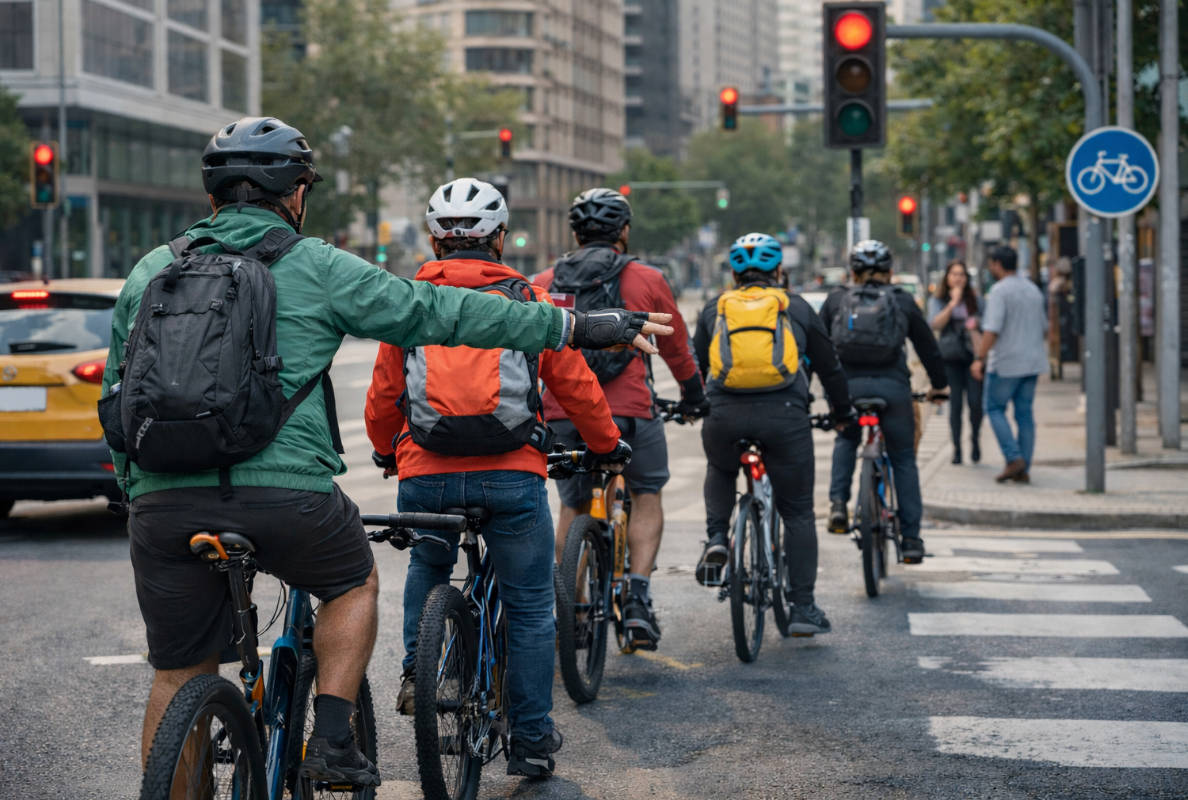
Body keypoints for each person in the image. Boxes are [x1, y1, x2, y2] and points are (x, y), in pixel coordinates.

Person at [101, 117, 672, 787]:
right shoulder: (316, 264)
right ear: (296, 195)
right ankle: (333, 739)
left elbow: (118, 399)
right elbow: (442, 313)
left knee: (177, 671)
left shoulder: (151, 270)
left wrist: (138, 493)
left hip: (164, 502)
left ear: (211, 197)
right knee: (352, 583)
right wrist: (571, 325)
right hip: (289, 498)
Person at [364, 177, 631, 778]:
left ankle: (421, 675)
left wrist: (386, 452)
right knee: (531, 606)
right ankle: (531, 739)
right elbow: (575, 386)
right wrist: (606, 444)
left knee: (429, 564)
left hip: (427, 476)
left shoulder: (411, 302)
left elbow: (384, 396)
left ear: (435, 241)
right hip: (510, 475)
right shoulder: (529, 301)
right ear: (500, 239)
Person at [533, 187, 707, 651]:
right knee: (647, 491)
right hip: (629, 409)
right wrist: (693, 396)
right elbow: (676, 347)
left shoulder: (544, 281)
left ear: (575, 233)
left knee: (572, 506)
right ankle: (637, 599)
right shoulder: (646, 278)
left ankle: (571, 608)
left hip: (564, 412)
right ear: (624, 232)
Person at [692, 233, 852, 634]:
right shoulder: (795, 307)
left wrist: (695, 404)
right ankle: (802, 608)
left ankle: (717, 537)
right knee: (797, 510)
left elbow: (694, 365)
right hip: (784, 417)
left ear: (733, 274)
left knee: (721, 467)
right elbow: (830, 367)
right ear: (780, 270)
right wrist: (842, 412)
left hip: (724, 414)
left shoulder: (716, 308)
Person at [821, 240, 947, 563]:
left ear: (852, 272)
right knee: (903, 459)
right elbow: (928, 348)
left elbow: (818, 348)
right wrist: (939, 386)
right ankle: (911, 540)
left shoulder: (837, 300)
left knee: (846, 439)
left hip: (847, 390)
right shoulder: (902, 300)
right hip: (893, 390)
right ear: (890, 272)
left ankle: (838, 506)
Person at [970, 245, 1047, 484]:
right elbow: (1045, 327)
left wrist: (979, 358)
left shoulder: (999, 291)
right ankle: (1023, 468)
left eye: (991, 264)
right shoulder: (1033, 290)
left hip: (1006, 363)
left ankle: (1013, 458)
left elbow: (991, 330)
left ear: (997, 264)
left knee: (994, 408)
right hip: (1032, 362)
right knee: (1025, 415)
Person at [928, 260, 984, 464]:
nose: (958, 278)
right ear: (947, 277)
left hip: (972, 358)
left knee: (975, 404)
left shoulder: (976, 300)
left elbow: (986, 325)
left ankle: (975, 439)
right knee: (956, 406)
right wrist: (953, 303)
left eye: (961, 274)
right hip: (950, 358)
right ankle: (957, 448)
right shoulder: (938, 300)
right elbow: (935, 324)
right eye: (954, 274)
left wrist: (974, 325)